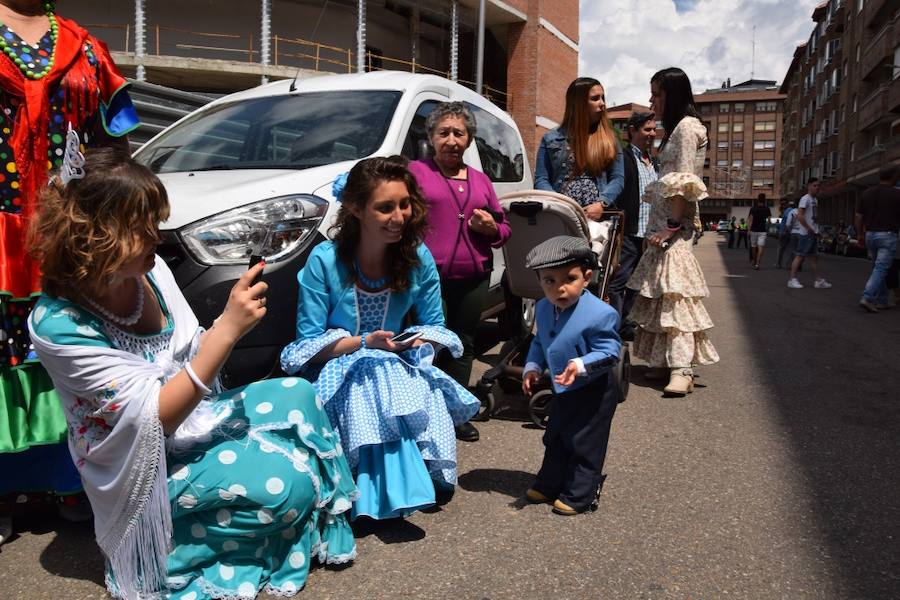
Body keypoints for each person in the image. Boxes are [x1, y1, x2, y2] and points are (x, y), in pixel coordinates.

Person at [27, 148, 357, 599]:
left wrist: (228, 321)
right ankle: (160, 554)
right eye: (141, 228)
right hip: (141, 467)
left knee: (299, 394)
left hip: (189, 423)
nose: (156, 238)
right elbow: (154, 420)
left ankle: (235, 518)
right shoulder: (59, 324)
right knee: (289, 487)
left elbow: (187, 358)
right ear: (95, 237)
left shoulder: (151, 271)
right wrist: (227, 329)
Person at [0, 0, 140, 544]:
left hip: (67, 226)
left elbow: (112, 142)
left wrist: (113, 214)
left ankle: (71, 481)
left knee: (68, 341)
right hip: (2, 226)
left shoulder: (84, 45)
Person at [281, 155, 480, 520]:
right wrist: (364, 343)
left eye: (405, 205)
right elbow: (306, 346)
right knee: (370, 378)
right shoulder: (324, 261)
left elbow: (434, 325)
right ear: (356, 209)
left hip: (396, 358)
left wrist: (421, 343)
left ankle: (415, 475)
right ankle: (368, 484)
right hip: (335, 367)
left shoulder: (417, 257)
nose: (400, 216)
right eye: (385, 207)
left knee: (414, 378)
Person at [408, 102, 511, 443]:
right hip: (426, 277)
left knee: (462, 344)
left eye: (459, 133)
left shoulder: (481, 180)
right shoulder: (415, 173)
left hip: (474, 274)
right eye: (444, 133)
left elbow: (503, 228)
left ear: (469, 140)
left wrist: (490, 228)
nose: (451, 140)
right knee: (428, 344)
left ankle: (455, 413)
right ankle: (423, 412)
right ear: (432, 138)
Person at [626, 67, 719, 396]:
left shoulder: (685, 128)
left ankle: (682, 368)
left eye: (657, 93)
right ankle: (666, 362)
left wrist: (672, 227)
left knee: (677, 297)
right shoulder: (679, 128)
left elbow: (683, 181)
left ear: (673, 94)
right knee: (663, 293)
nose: (652, 100)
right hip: (665, 226)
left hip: (672, 229)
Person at [521, 236, 621, 516]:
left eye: (570, 278)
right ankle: (549, 482)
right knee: (555, 436)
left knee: (585, 441)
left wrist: (580, 364)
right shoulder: (542, 307)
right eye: (549, 280)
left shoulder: (601, 314)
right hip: (562, 387)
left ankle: (580, 493)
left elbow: (611, 350)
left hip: (594, 388)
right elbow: (540, 342)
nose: (559, 288)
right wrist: (532, 367)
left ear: (586, 278)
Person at [534, 77, 625, 217]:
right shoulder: (551, 138)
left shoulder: (609, 139)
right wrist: (559, 204)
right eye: (595, 99)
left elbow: (617, 178)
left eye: (602, 98)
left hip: (597, 220)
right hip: (562, 217)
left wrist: (602, 204)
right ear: (578, 104)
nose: (602, 104)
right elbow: (541, 179)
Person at [607, 111, 658, 340]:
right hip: (629, 232)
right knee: (619, 283)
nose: (652, 134)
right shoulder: (623, 157)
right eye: (647, 129)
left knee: (638, 285)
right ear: (632, 131)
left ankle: (627, 326)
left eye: (654, 129)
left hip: (650, 235)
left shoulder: (654, 162)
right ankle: (613, 328)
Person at [854, 165, 900, 312]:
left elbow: (858, 217)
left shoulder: (866, 193)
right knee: (881, 268)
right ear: (893, 177)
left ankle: (882, 300)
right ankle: (868, 297)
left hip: (870, 235)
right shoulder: (896, 194)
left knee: (878, 268)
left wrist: (860, 234)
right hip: (887, 235)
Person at [787, 178, 832, 289]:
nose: (817, 188)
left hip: (813, 233)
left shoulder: (815, 200)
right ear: (809, 186)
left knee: (814, 258)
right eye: (815, 185)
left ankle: (818, 281)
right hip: (805, 233)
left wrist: (816, 230)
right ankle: (792, 279)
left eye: (818, 186)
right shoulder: (805, 199)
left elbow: (813, 217)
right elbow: (800, 215)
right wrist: (808, 228)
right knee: (800, 256)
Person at [747, 193, 772, 270]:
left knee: (754, 247)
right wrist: (767, 228)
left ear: (758, 199)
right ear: (764, 200)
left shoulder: (753, 208)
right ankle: (757, 264)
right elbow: (769, 221)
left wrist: (749, 230)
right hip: (762, 231)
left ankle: (754, 262)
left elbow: (750, 220)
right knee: (760, 248)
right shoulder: (767, 209)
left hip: (754, 230)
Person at [775, 199, 797, 268]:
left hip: (785, 231)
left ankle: (779, 264)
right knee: (792, 249)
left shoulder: (788, 211)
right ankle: (790, 264)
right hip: (791, 232)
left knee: (781, 249)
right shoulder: (796, 211)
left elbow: (788, 221)